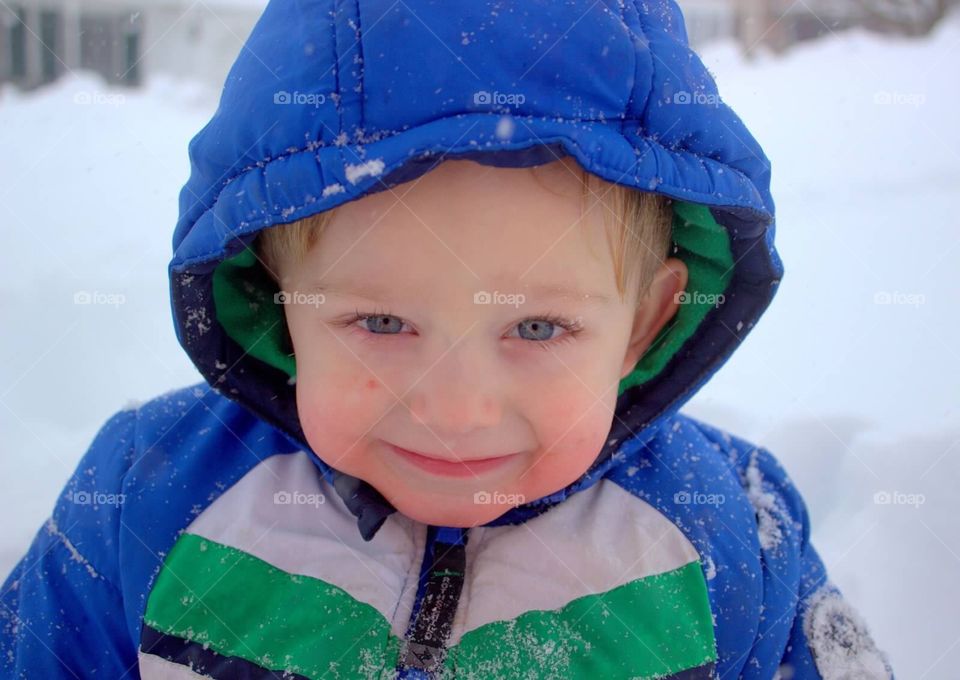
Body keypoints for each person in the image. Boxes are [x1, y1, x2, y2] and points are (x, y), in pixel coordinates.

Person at [0, 0, 895, 677]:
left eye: (538, 327)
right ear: (279, 298)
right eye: (380, 322)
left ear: (647, 322)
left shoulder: (727, 537)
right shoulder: (146, 504)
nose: (454, 410)